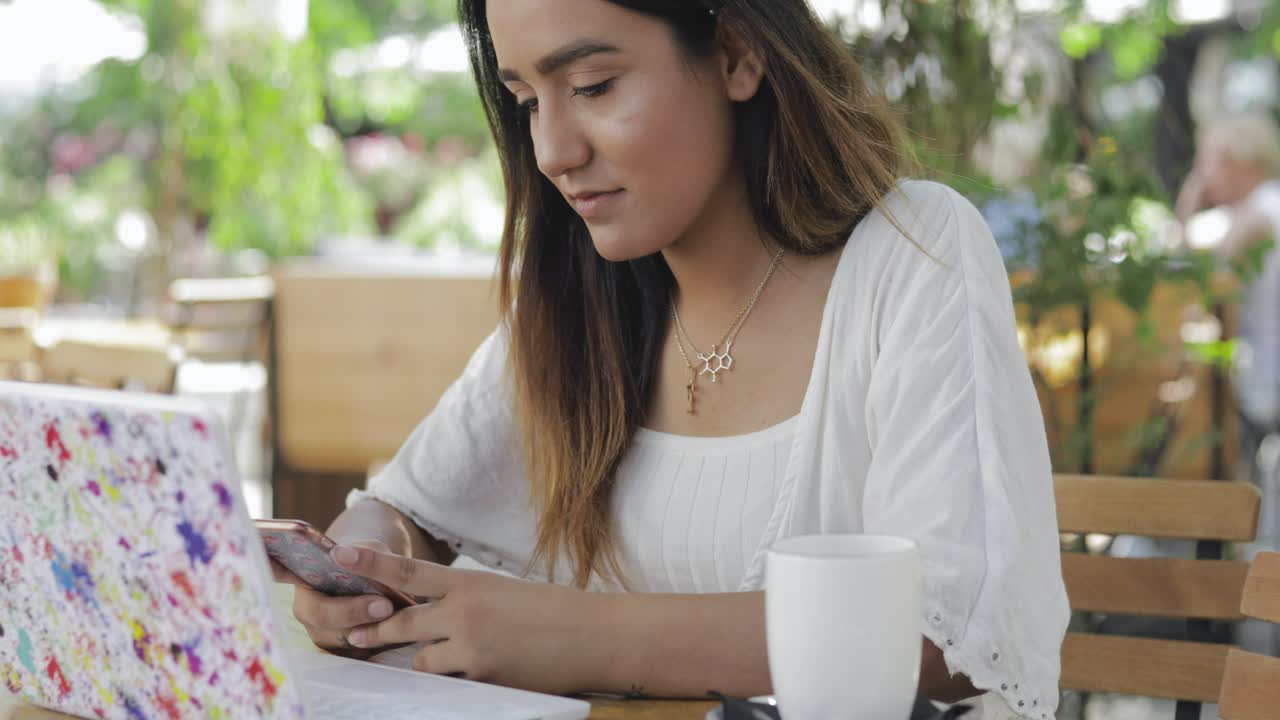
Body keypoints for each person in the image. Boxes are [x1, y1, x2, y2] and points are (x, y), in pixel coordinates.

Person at [271, 1, 1069, 717]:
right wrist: (362, 568)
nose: (550, 150)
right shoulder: (579, 302)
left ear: (736, 54)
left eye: (590, 85)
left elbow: (945, 637)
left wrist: (572, 635)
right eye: (524, 102)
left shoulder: (912, 254)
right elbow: (412, 511)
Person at [1177, 110, 1280, 656]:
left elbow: (1197, 279)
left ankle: (1257, 655)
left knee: (1265, 527)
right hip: (1265, 396)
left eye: (1209, 158)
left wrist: (1190, 205)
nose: (1202, 170)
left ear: (1240, 161)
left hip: (1268, 402)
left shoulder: (1257, 215)